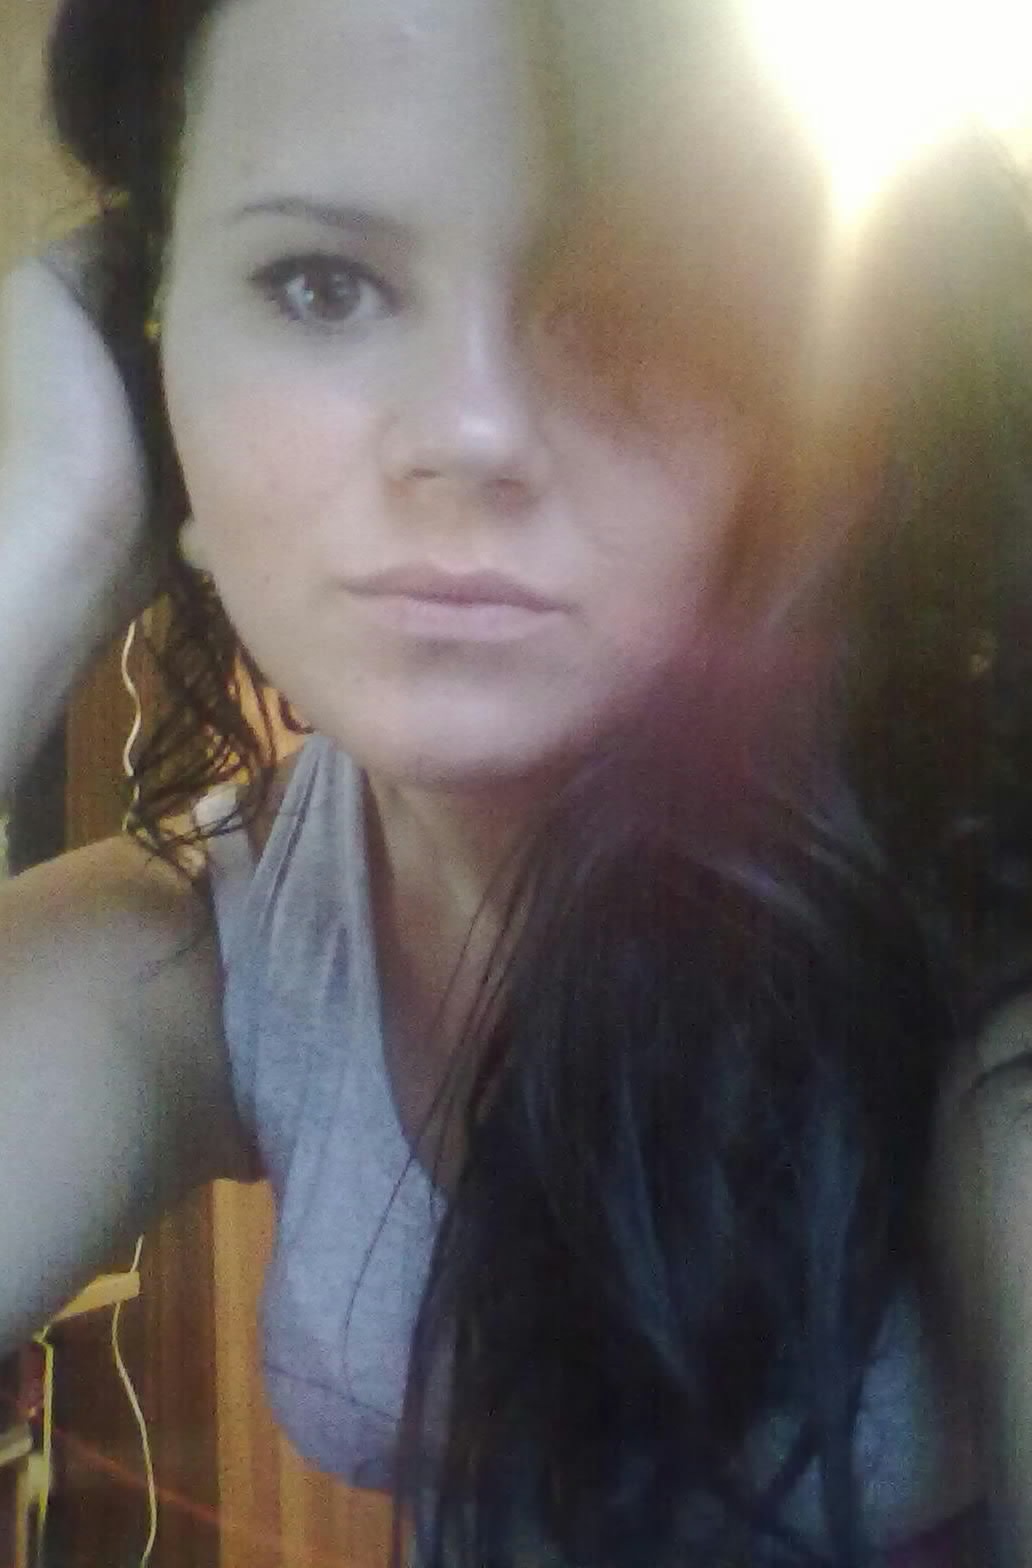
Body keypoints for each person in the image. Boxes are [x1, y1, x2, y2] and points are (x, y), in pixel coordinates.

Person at [1, 0, 1031, 1563]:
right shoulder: (225, 940)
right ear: (158, 379)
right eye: (320, 283)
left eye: (629, 300)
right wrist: (38, 525)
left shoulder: (969, 924)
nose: (471, 430)